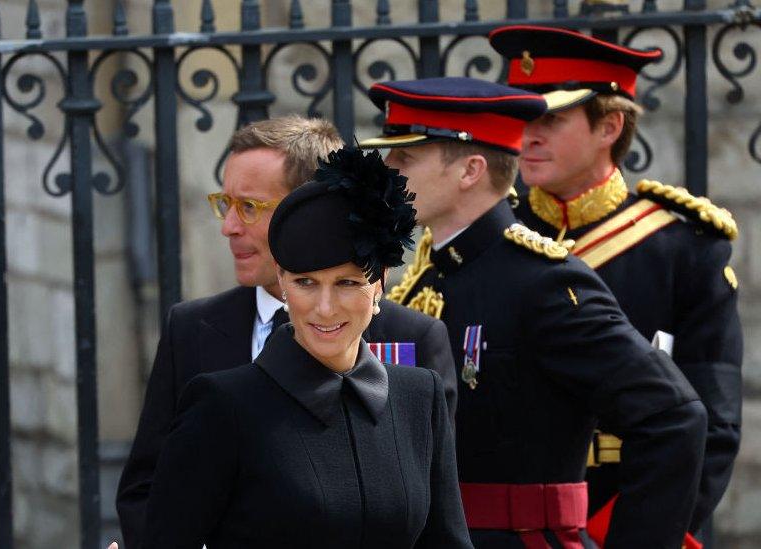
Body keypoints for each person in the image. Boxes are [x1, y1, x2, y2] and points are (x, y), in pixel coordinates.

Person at [360, 76, 708, 547]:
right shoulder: (428, 274)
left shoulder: (543, 283)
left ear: (470, 170)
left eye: (405, 157)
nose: (387, 170)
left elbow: (673, 416)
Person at [117, 116, 458, 549]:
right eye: (306, 283)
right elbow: (154, 498)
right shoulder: (211, 377)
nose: (229, 227)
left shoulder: (416, 388)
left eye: (251, 206)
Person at [489, 25, 741, 546]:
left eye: (550, 119)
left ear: (609, 126)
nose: (527, 135)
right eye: (521, 117)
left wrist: (622, 535)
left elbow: (712, 424)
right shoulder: (491, 235)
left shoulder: (683, 248)